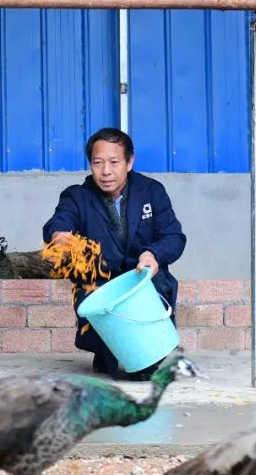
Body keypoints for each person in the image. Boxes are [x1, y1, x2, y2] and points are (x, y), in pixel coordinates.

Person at [42, 128, 186, 381]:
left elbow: (174, 237)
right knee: (103, 332)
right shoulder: (77, 196)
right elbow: (59, 221)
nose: (105, 171)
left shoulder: (152, 191)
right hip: (101, 282)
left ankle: (145, 358)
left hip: (141, 280)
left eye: (114, 162)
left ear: (129, 162)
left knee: (144, 363)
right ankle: (105, 348)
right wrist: (59, 235)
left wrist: (153, 254)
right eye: (98, 163)